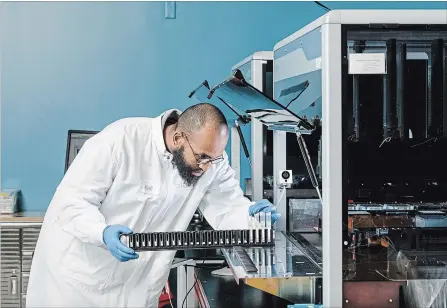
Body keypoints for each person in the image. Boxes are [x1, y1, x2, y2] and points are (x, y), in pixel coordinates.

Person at [26, 103, 280, 308]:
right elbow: (71, 202)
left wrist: (250, 216)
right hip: (80, 283)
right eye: (202, 157)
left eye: (214, 159)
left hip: (136, 284)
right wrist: (100, 232)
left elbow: (227, 206)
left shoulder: (210, 159)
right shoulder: (121, 140)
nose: (206, 167)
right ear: (179, 137)